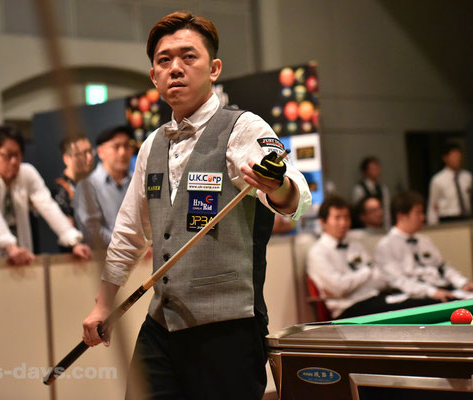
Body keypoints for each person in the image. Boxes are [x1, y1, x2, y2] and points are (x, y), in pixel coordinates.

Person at [81, 12, 311, 400]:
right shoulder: (151, 145)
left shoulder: (243, 128)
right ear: (154, 76)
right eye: (164, 60)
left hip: (228, 327)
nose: (176, 68)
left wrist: (277, 185)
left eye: (189, 57)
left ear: (214, 68)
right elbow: (129, 233)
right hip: (161, 325)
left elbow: (296, 199)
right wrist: (103, 304)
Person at [0, 125, 92, 265]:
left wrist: (74, 241)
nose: (14, 161)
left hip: (21, 258)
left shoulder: (27, 173)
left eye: (17, 154)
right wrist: (11, 247)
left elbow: (48, 206)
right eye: (8, 156)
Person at [308, 196, 433, 319]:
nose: (343, 223)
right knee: (414, 308)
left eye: (346, 217)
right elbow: (339, 288)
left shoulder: (355, 245)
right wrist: (367, 271)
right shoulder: (318, 252)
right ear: (322, 222)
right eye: (337, 218)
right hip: (348, 311)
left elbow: (381, 279)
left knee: (422, 303)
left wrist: (351, 285)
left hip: (373, 299)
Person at [376, 191, 473, 302]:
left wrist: (462, 283)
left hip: (442, 287)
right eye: (418, 213)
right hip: (416, 296)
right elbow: (398, 281)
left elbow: (442, 267)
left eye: (422, 213)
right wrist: (431, 292)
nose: (423, 217)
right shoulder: (385, 246)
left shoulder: (424, 240)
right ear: (402, 216)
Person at [74, 125, 134, 251]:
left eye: (126, 145)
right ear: (101, 152)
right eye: (116, 146)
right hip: (105, 258)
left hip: (143, 257)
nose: (122, 152)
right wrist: (127, 247)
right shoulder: (88, 185)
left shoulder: (137, 181)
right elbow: (91, 229)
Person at [52, 134, 94, 225]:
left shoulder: (91, 183)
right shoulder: (61, 190)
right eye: (82, 154)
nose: (89, 157)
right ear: (67, 159)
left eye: (90, 151)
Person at [427, 142, 473, 225]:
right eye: (454, 156)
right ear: (445, 158)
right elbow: (433, 204)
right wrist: (432, 224)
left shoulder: (467, 176)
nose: (457, 159)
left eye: (459, 156)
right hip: (447, 218)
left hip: (465, 217)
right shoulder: (438, 180)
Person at [352, 156, 391, 229]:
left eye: (377, 168)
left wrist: (387, 227)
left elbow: (386, 210)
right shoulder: (359, 188)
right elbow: (358, 210)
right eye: (372, 169)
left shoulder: (383, 188)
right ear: (365, 171)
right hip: (364, 227)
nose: (376, 171)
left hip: (381, 226)